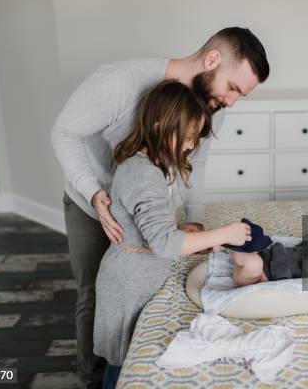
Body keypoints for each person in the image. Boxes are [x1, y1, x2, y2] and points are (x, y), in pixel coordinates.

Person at [51, 27, 269, 388]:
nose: (231, 101)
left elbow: (194, 164)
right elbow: (64, 133)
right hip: (91, 196)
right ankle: (92, 378)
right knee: (94, 293)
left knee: (130, 291)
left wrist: (195, 221)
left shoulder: (207, 107)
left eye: (240, 96)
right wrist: (93, 193)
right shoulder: (120, 82)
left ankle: (126, 365)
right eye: (233, 88)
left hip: (144, 208)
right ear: (212, 60)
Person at [92, 80, 254, 386]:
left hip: (137, 275)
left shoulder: (149, 165)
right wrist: (223, 234)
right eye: (189, 136)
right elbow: (165, 245)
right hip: (128, 285)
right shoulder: (143, 174)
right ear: (159, 124)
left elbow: (147, 225)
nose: (191, 146)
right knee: (123, 368)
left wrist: (179, 228)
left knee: (126, 362)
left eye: (196, 138)